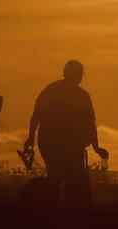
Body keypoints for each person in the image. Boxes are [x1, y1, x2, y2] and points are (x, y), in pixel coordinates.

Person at [24, 60, 109, 212]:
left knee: (56, 176)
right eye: (80, 74)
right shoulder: (81, 96)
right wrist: (96, 147)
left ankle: (53, 209)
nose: (80, 78)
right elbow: (91, 123)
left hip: (52, 143)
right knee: (71, 179)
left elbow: (35, 116)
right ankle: (65, 211)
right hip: (66, 144)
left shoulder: (51, 90)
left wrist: (31, 139)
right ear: (77, 75)